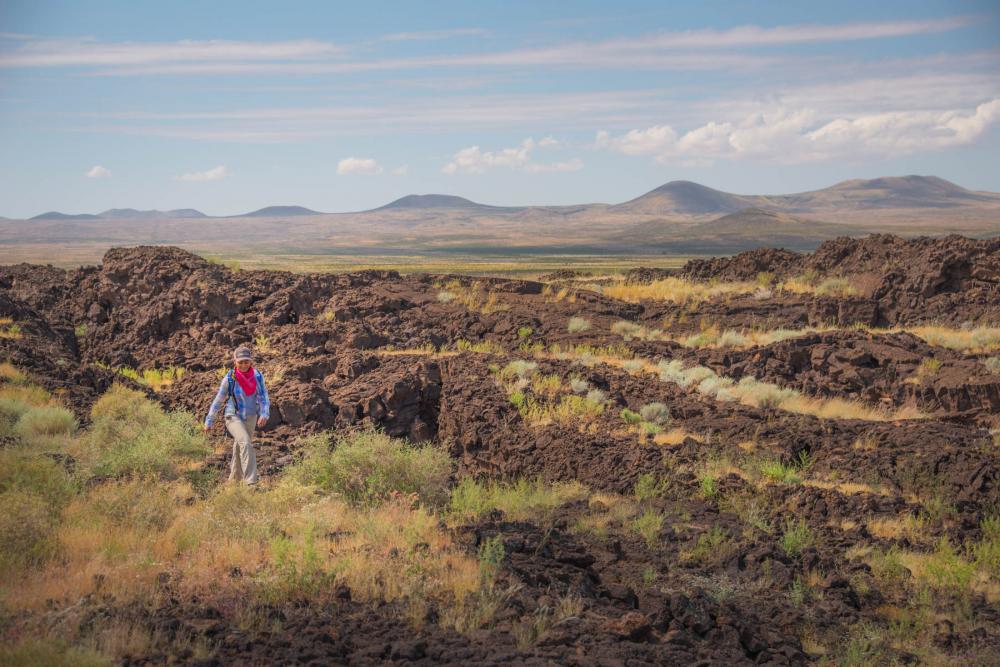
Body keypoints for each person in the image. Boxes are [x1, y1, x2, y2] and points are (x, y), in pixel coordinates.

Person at [203, 346, 270, 485]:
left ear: (251, 361)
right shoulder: (230, 379)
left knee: (239, 447)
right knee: (245, 442)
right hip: (233, 416)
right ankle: (251, 481)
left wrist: (264, 413)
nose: (244, 364)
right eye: (241, 362)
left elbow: (264, 396)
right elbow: (218, 400)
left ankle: (234, 480)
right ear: (235, 362)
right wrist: (209, 420)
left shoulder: (257, 376)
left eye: (247, 361)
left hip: (251, 417)